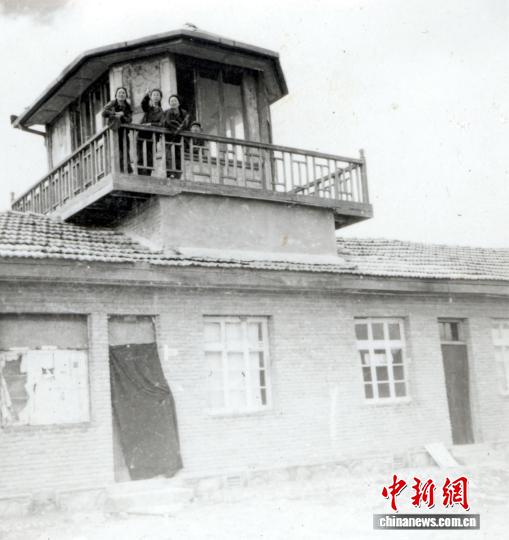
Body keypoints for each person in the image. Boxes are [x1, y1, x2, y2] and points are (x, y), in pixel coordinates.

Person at [102, 87, 133, 173]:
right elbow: (104, 113)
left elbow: (129, 119)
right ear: (116, 95)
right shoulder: (112, 103)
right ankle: (118, 170)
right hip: (114, 130)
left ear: (126, 95)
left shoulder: (127, 106)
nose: (121, 94)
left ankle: (127, 170)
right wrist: (115, 114)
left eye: (123, 93)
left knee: (125, 150)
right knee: (116, 151)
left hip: (123, 132)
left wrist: (122, 116)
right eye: (119, 93)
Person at [160, 95, 190, 178]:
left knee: (178, 156)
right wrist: (175, 127)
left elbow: (186, 125)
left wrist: (178, 128)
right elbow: (165, 123)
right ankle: (169, 174)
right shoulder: (166, 112)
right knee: (168, 156)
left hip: (180, 138)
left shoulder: (184, 113)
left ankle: (178, 175)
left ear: (179, 103)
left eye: (175, 101)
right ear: (169, 103)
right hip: (169, 137)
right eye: (171, 101)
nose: (173, 102)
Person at [137, 88, 164, 176]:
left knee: (150, 158)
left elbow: (161, 124)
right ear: (151, 97)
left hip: (152, 137)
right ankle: (140, 176)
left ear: (160, 98)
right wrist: (146, 96)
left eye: (157, 95)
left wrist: (151, 124)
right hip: (142, 135)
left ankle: (148, 175)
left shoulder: (162, 112)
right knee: (141, 156)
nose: (156, 96)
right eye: (154, 95)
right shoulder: (149, 109)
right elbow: (143, 104)